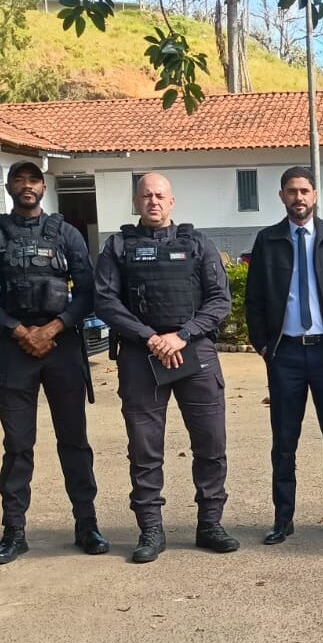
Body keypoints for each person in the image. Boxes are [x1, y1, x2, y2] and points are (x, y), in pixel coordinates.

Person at [94, 172, 240, 562]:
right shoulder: (118, 247)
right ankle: (150, 531)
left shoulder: (198, 244)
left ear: (172, 202)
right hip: (141, 356)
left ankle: (210, 523)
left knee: (211, 443)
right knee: (144, 449)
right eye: (146, 196)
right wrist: (151, 338)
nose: (153, 202)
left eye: (160, 196)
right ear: (136, 202)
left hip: (194, 352)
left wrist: (182, 335)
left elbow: (218, 300)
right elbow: (106, 302)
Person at [0, 161, 103, 564]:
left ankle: (87, 524)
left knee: (75, 441)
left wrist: (56, 327)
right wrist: (19, 331)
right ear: (9, 187)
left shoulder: (66, 234)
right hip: (15, 348)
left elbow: (88, 290)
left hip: (62, 346)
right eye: (19, 181)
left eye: (33, 180)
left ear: (43, 187)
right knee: (17, 445)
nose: (27, 186)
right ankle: (14, 531)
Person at [245, 166, 323, 544]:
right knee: (284, 441)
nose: (298, 198)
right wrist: (265, 347)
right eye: (291, 191)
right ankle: (283, 519)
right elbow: (255, 300)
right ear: (282, 196)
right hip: (286, 357)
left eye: (304, 191)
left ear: (315, 195)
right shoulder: (268, 240)